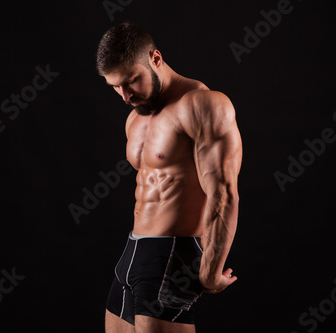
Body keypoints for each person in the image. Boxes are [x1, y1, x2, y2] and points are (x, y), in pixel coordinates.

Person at [96, 22, 242, 333]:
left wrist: (211, 272)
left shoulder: (203, 105)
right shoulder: (136, 117)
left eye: (131, 81)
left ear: (156, 59)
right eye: (114, 86)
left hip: (173, 257)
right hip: (131, 254)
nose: (124, 95)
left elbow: (224, 193)